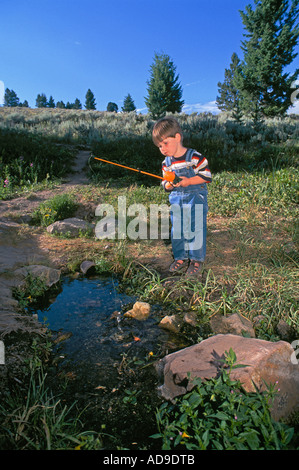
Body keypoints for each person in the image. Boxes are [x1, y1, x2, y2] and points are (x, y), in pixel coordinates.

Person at [152, 116, 212, 276]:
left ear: (177, 137)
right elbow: (164, 184)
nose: (162, 148)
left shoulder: (195, 157)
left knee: (195, 228)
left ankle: (196, 259)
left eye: (165, 143)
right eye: (159, 146)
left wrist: (189, 181)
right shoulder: (166, 163)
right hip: (177, 200)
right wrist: (168, 185)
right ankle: (180, 257)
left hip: (196, 199)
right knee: (177, 229)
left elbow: (207, 176)